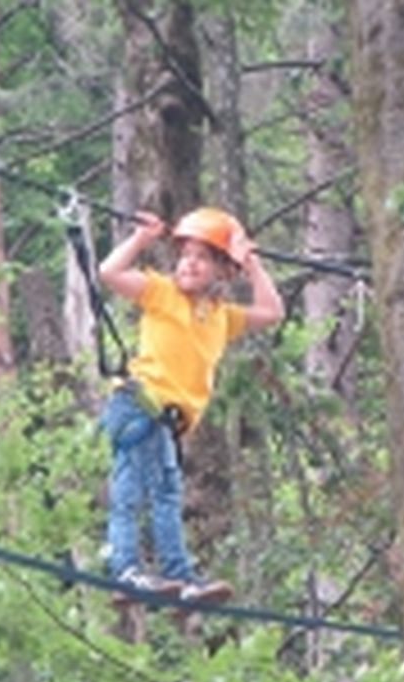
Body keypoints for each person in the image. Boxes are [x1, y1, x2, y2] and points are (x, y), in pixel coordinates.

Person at [97, 207, 284, 604]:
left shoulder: (220, 317)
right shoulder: (160, 292)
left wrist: (251, 264)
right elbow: (109, 273)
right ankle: (127, 570)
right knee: (131, 491)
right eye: (185, 256)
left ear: (222, 272)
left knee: (166, 496)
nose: (189, 264)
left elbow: (272, 312)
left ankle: (179, 578)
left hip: (165, 421)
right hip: (139, 406)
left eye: (202, 258)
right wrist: (141, 240)